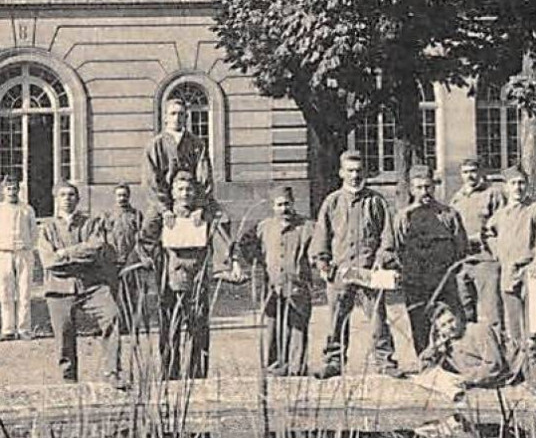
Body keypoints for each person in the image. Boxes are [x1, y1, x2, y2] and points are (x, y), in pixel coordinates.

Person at [140, 170, 238, 380]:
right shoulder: (161, 213)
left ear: (195, 192)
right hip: (169, 278)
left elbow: (223, 226)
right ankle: (170, 373)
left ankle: (197, 373)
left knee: (198, 325)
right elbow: (145, 240)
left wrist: (204, 211)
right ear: (173, 192)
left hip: (197, 278)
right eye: (180, 189)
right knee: (170, 327)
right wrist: (151, 258)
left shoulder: (204, 213)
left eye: (189, 189)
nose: (185, 194)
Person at [311, 149, 399, 379]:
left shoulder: (376, 202)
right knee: (336, 317)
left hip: (370, 271)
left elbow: (387, 236)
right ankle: (333, 361)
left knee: (378, 318)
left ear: (366, 173)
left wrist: (382, 259)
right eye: (350, 171)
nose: (354, 175)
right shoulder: (332, 202)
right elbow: (322, 234)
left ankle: (385, 361)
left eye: (359, 171)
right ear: (341, 173)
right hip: (341, 270)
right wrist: (323, 262)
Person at [36, 182, 124, 385]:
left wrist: (65, 253)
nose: (67, 198)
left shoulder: (91, 224)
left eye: (72, 195)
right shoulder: (47, 229)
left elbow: (95, 250)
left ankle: (112, 371)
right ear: (56, 199)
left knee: (112, 316)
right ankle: (68, 379)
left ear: (78, 199)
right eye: (63, 195)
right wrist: (78, 253)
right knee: (64, 336)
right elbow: (49, 261)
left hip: (91, 286)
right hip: (59, 288)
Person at [484, 165, 536, 360]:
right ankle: (517, 365)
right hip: (508, 274)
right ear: (506, 187)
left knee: (533, 323)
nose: (518, 188)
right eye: (513, 184)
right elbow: (488, 233)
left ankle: (534, 362)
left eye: (521, 183)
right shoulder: (501, 215)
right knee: (513, 323)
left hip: (530, 273)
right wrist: (497, 252)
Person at [394, 164, 467, 356]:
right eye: (419, 188)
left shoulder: (449, 215)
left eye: (427, 187)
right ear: (411, 189)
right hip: (416, 283)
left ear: (434, 187)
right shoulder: (404, 217)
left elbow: (461, 248)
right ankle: (426, 362)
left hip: (444, 282)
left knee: (450, 323)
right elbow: (396, 248)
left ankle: (453, 362)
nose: (424, 192)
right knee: (420, 324)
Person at [250, 185, 314, 376]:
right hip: (272, 286)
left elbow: (319, 248)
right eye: (279, 205)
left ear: (293, 204)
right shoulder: (263, 227)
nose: (283, 209)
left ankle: (296, 367)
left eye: (287, 204)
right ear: (272, 207)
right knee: (273, 326)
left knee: (298, 326)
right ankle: (274, 366)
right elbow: (246, 245)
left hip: (298, 285)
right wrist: (259, 262)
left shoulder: (307, 227)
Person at [449, 158, 506, 325]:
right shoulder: (456, 199)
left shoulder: (493, 193)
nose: (470, 176)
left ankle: (497, 346)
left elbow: (504, 223)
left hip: (486, 259)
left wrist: (485, 234)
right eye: (466, 172)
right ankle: (471, 348)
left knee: (492, 310)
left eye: (473, 171)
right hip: (463, 261)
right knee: (465, 309)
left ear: (481, 172)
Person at [0, 176, 37, 341]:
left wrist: (28, 247)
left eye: (14, 188)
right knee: (5, 292)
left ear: (19, 190)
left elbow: (34, 232)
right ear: (3, 190)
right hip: (3, 253)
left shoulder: (27, 209)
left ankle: (24, 328)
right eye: (8, 188)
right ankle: (7, 329)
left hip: (23, 253)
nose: (11, 192)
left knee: (24, 292)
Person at [145, 94, 213, 209]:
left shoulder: (197, 144)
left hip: (192, 199)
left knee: (220, 219)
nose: (177, 118)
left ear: (186, 117)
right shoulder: (155, 145)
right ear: (165, 117)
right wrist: (164, 209)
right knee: (150, 224)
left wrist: (199, 206)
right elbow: (151, 181)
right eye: (173, 114)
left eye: (181, 114)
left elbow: (204, 177)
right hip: (164, 202)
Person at [105, 182, 147, 336]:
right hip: (113, 259)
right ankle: (114, 325)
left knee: (131, 293)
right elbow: (104, 237)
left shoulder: (136, 215)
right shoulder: (108, 215)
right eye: (119, 195)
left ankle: (130, 324)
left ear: (129, 196)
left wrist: (137, 256)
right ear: (114, 197)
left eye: (124, 195)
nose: (122, 198)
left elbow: (141, 237)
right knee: (113, 293)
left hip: (131, 259)